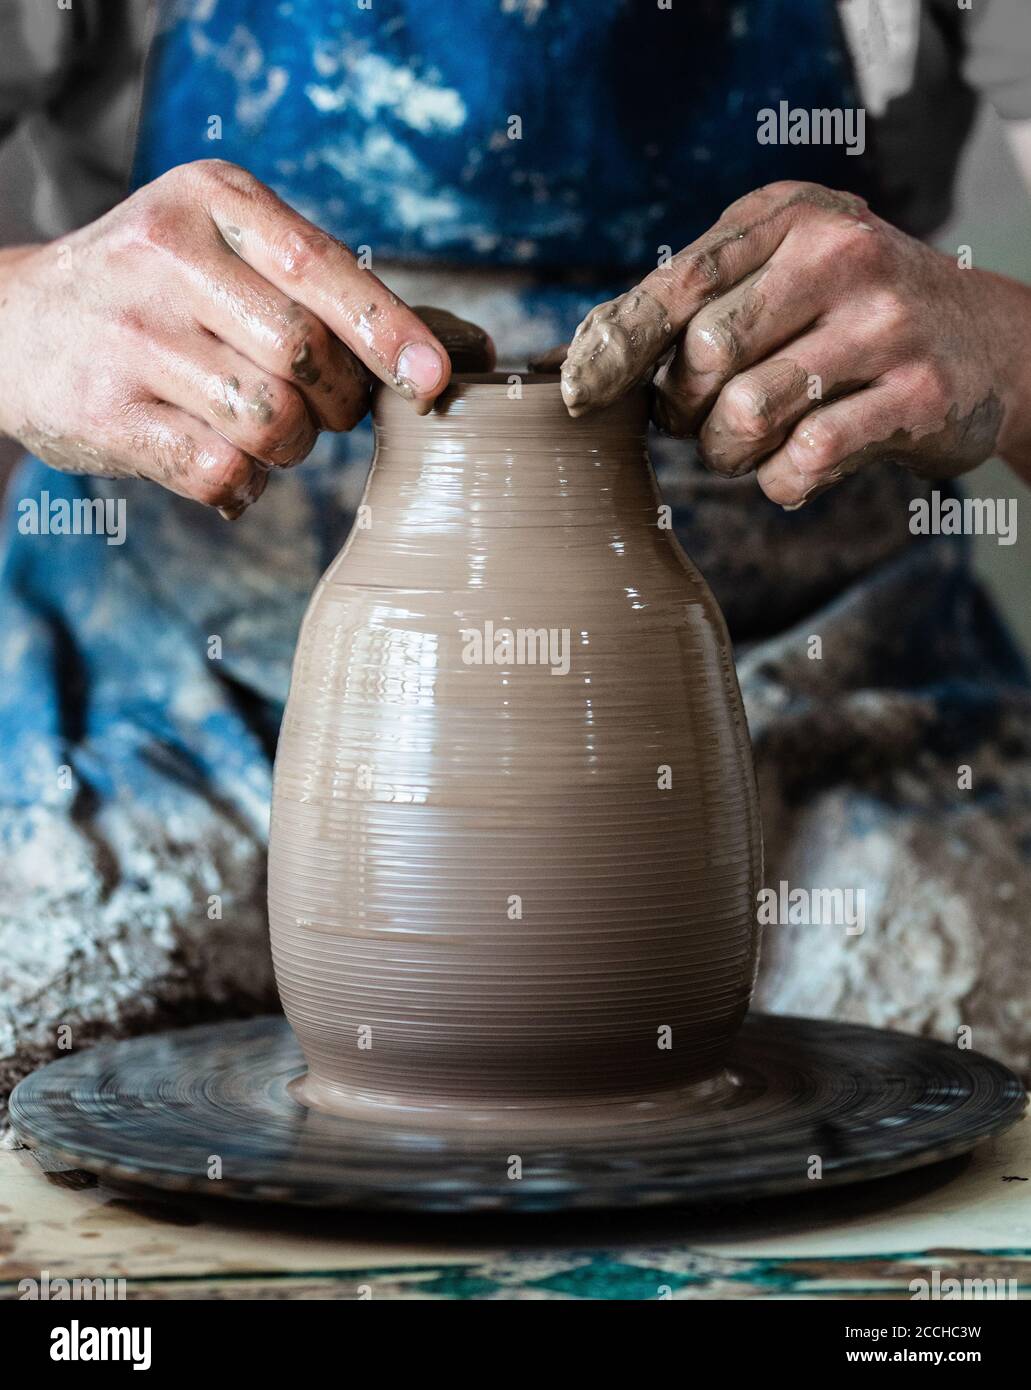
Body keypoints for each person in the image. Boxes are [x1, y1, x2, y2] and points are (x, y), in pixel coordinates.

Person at [1, 0, 1030, 1109]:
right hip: (151, 681)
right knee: (48, 1047)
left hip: (837, 675)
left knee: (962, 1041)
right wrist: (18, 322)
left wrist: (1001, 349)